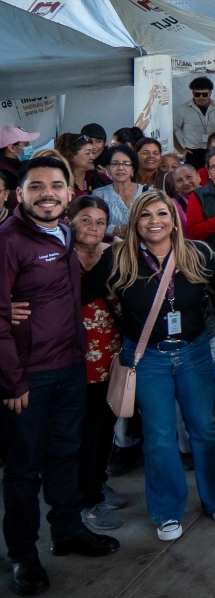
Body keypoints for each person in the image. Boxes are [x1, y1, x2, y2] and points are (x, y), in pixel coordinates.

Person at [0, 157, 120, 596]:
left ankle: (67, 532)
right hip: (28, 377)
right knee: (23, 469)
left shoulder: (66, 233)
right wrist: (12, 381)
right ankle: (23, 555)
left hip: (70, 366)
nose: (47, 192)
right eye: (37, 186)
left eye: (56, 185)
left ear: (69, 193)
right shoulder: (9, 241)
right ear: (20, 194)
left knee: (64, 455)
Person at [109, 191, 215, 540]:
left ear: (174, 218)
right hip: (147, 358)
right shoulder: (121, 259)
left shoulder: (198, 254)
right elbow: (76, 288)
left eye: (162, 213)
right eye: (146, 215)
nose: (155, 221)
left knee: (204, 429)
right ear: (135, 221)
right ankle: (166, 510)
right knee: (160, 436)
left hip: (193, 352)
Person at [62, 197, 126, 534]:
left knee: (106, 424)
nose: (94, 228)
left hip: (111, 356)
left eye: (100, 222)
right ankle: (86, 500)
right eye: (86, 220)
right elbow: (78, 293)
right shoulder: (62, 258)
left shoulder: (112, 254)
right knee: (84, 430)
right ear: (69, 221)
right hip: (74, 358)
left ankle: (98, 481)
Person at [174, 76, 215, 169]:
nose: (201, 97)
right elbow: (171, 131)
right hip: (193, 152)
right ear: (192, 93)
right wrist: (181, 150)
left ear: (210, 93)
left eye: (204, 94)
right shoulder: (182, 110)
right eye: (197, 94)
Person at [92, 144, 150, 238]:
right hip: (110, 247)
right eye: (115, 163)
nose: (120, 168)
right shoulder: (99, 194)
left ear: (132, 170)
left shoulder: (148, 193)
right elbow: (95, 225)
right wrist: (120, 229)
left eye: (126, 164)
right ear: (108, 169)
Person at [55, 132, 108, 198]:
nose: (93, 157)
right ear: (71, 156)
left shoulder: (98, 177)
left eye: (92, 152)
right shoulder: (60, 180)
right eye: (88, 153)